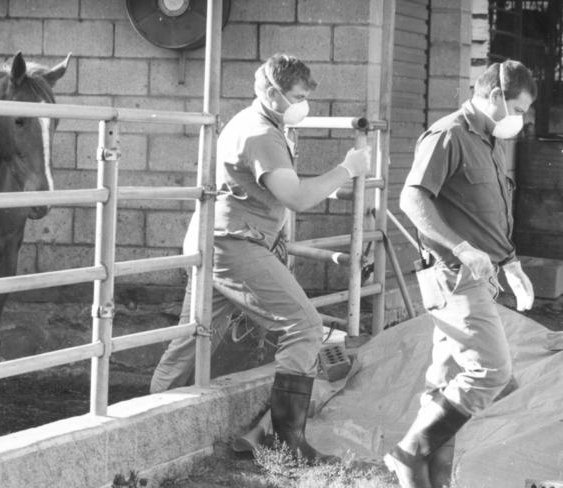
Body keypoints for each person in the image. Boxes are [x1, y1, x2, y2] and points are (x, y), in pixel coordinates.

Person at [150, 53, 371, 463]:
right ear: (272, 92)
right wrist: (348, 169)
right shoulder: (262, 134)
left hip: (217, 240)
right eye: (297, 96)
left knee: (192, 338)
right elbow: (298, 197)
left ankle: (145, 423)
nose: (303, 105)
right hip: (234, 245)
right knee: (304, 326)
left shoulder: (259, 122)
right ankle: (286, 445)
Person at [384, 59, 537, 487]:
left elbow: (482, 211)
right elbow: (412, 198)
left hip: (480, 276)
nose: (520, 120)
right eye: (519, 109)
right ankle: (408, 453)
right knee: (492, 370)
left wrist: (511, 263)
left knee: (446, 381)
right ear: (495, 96)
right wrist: (461, 247)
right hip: (453, 274)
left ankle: (430, 479)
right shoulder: (450, 134)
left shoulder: (490, 139)